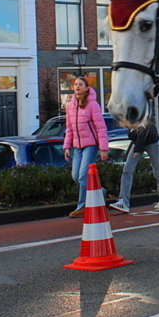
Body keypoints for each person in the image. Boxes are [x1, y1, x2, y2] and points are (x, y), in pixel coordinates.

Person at [61, 77, 109, 218]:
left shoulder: (93, 105)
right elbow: (69, 128)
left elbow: (100, 127)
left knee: (83, 176)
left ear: (87, 87)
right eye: (75, 84)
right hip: (77, 146)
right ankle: (100, 191)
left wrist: (103, 148)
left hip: (90, 145)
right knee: (75, 176)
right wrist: (67, 146)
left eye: (80, 84)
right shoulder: (70, 105)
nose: (77, 87)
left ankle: (82, 207)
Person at [109, 120, 159, 213]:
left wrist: (138, 150)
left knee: (157, 168)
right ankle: (123, 201)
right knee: (127, 169)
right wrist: (131, 131)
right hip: (137, 142)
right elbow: (132, 134)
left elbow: (144, 131)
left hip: (151, 141)